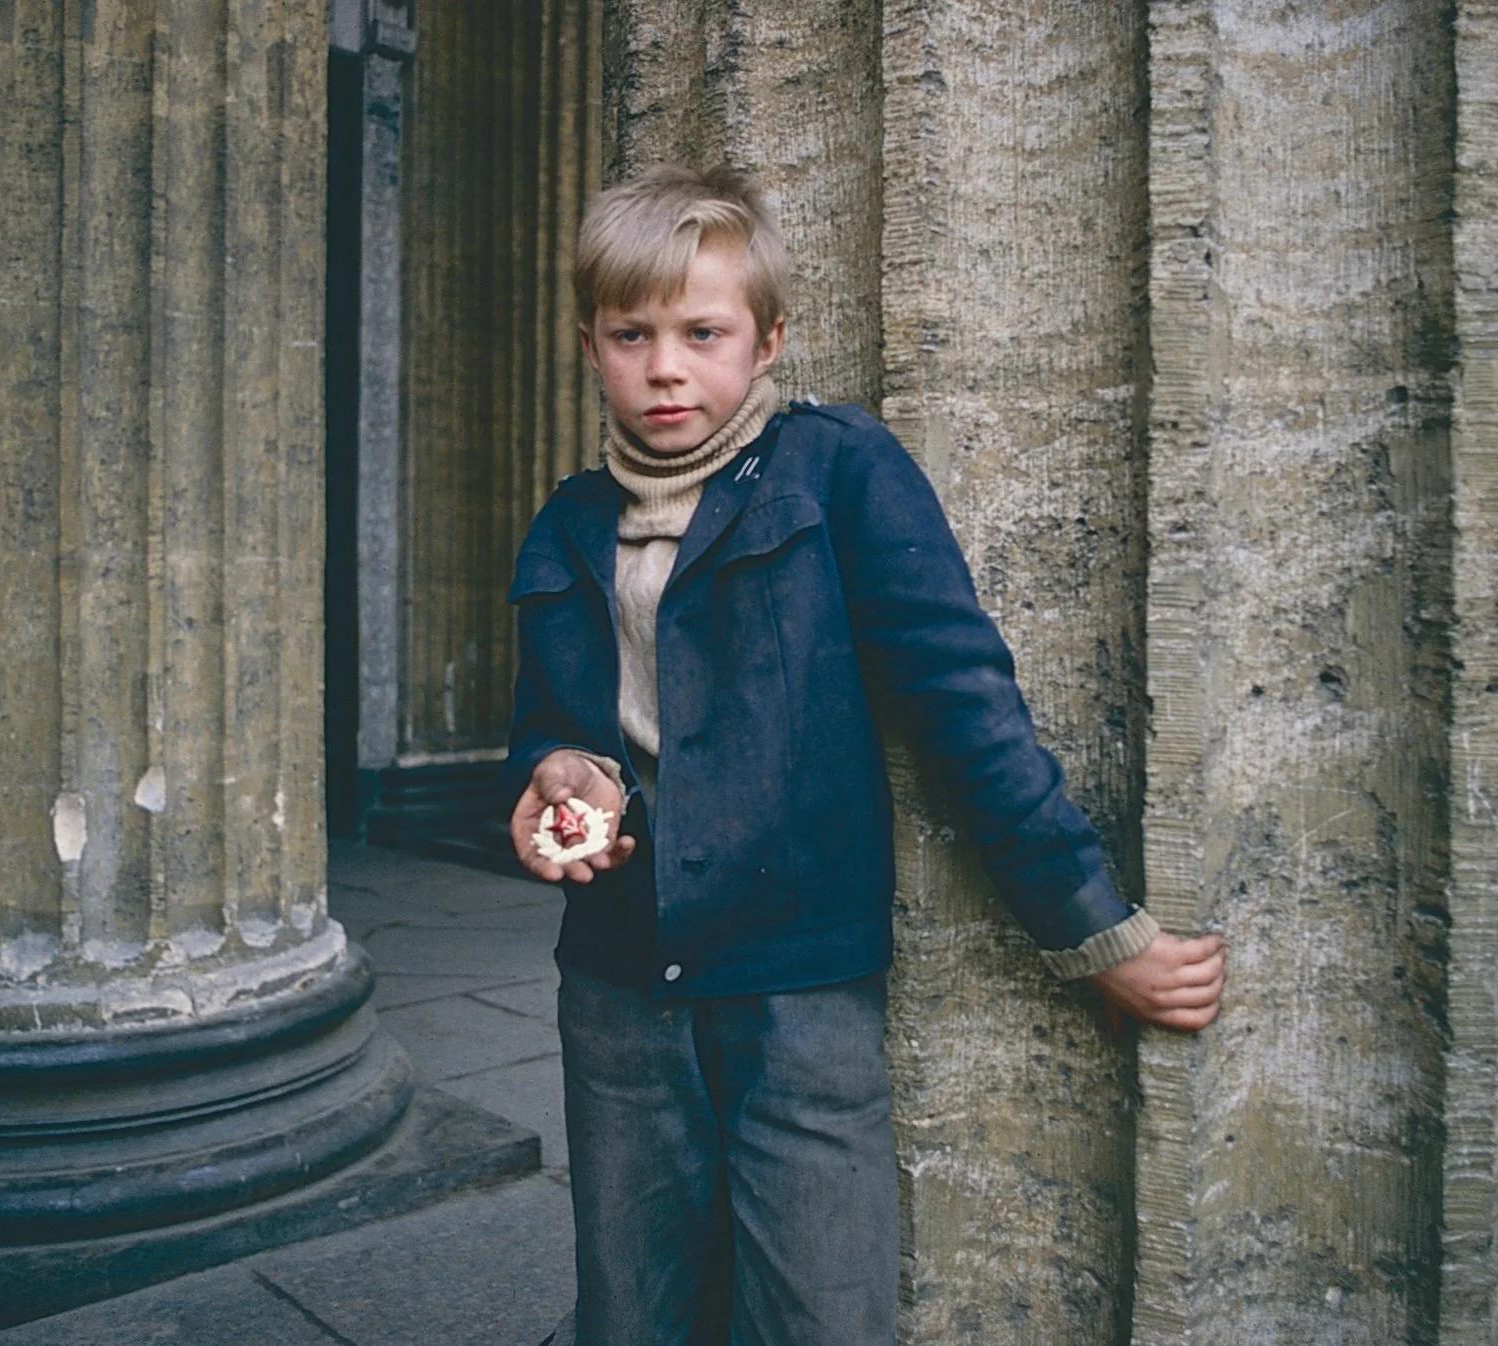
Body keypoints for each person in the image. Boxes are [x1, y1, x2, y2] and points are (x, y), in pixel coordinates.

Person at [503, 165, 1225, 1346]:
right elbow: (549, 726)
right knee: (630, 1312)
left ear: (768, 338)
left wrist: (1094, 929)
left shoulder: (834, 469)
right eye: (631, 335)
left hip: (800, 986)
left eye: (701, 332)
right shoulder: (567, 521)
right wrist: (551, 781)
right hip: (616, 981)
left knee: (822, 1310)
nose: (666, 366)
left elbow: (961, 706)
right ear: (592, 345)